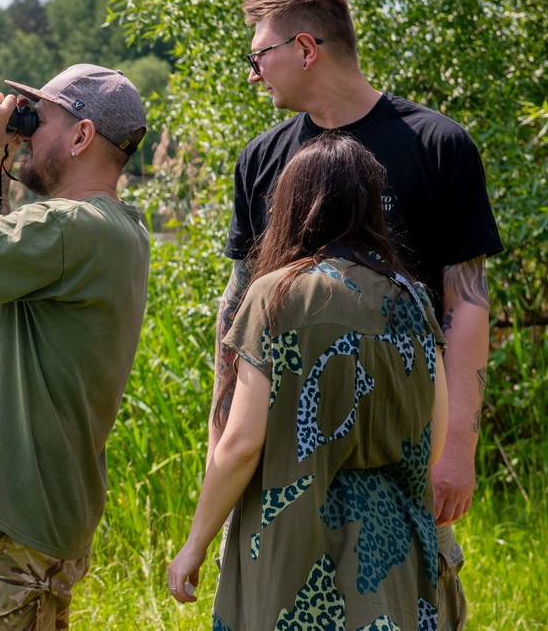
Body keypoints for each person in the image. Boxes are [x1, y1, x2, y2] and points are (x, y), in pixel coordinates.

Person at [211, 0, 503, 629]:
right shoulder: (261, 159)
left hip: (400, 455)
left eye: (260, 56)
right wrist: (220, 434)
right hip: (280, 458)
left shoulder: (435, 145)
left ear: (305, 48)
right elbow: (236, 314)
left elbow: (468, 302)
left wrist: (457, 445)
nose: (255, 74)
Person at [0, 63, 151, 630]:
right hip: (23, 518)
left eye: (39, 119)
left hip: (12, 523)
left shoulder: (73, 229)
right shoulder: (114, 228)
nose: (27, 129)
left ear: (83, 136)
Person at [170, 132, 450, 627]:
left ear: (294, 205)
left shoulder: (277, 296)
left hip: (293, 561)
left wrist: (195, 544)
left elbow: (239, 445)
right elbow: (434, 435)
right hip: (396, 559)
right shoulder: (414, 299)